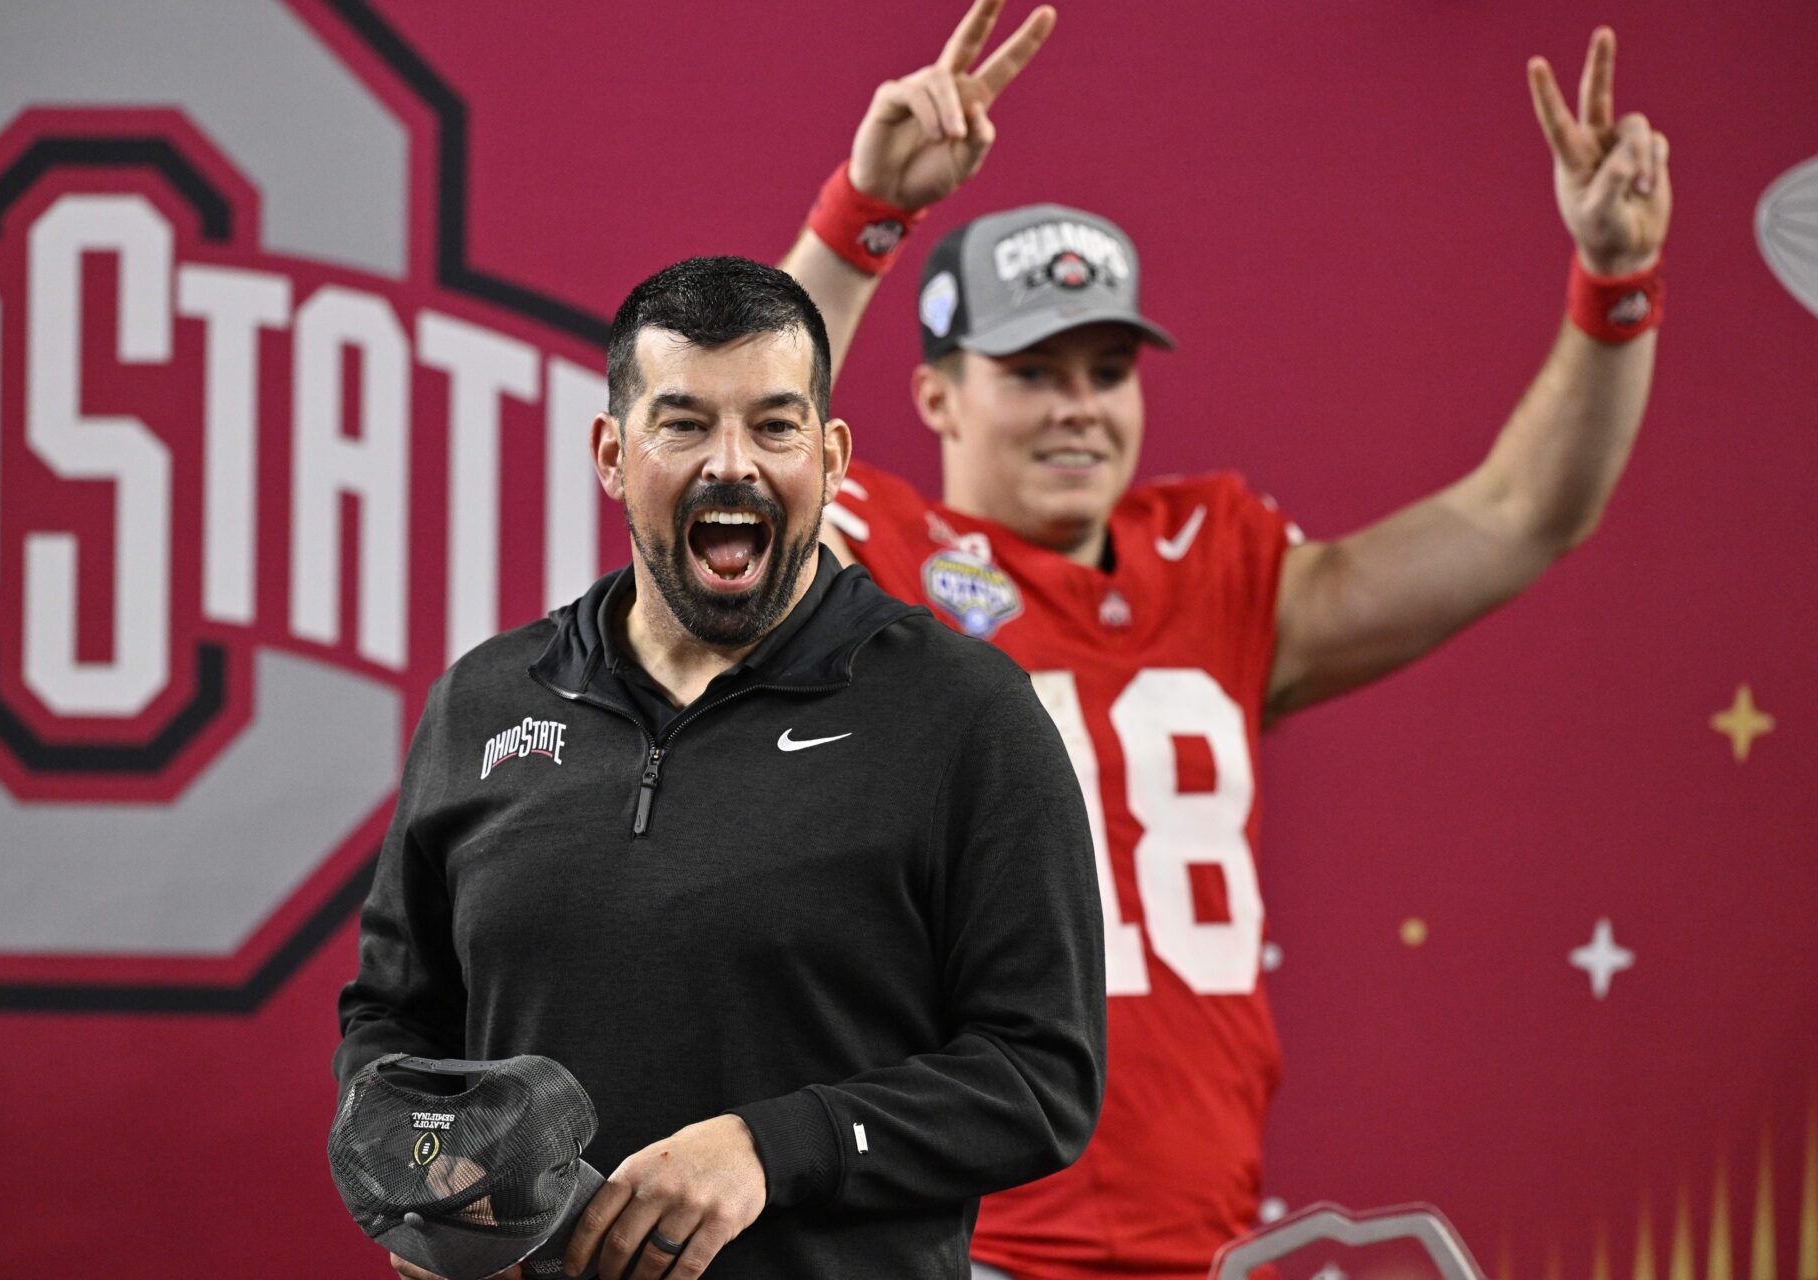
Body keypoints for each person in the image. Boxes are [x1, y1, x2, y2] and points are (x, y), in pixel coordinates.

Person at [774, 3, 1670, 1277]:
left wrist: (1615, 288)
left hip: (1203, 1240)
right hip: (955, 1239)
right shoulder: (881, 560)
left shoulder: (1218, 564)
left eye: (1107, 367)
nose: (1078, 406)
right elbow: (735, 456)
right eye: (1032, 370)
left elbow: (1522, 516)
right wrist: (860, 215)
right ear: (934, 394)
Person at [334, 256, 1107, 1280]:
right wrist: (424, 1178)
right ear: (612, 454)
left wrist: (773, 1146)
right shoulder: (483, 701)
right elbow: (393, 1019)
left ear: (830, 456)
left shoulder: (966, 713)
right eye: (684, 423)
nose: (730, 464)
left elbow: (1042, 1074)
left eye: (775, 426)